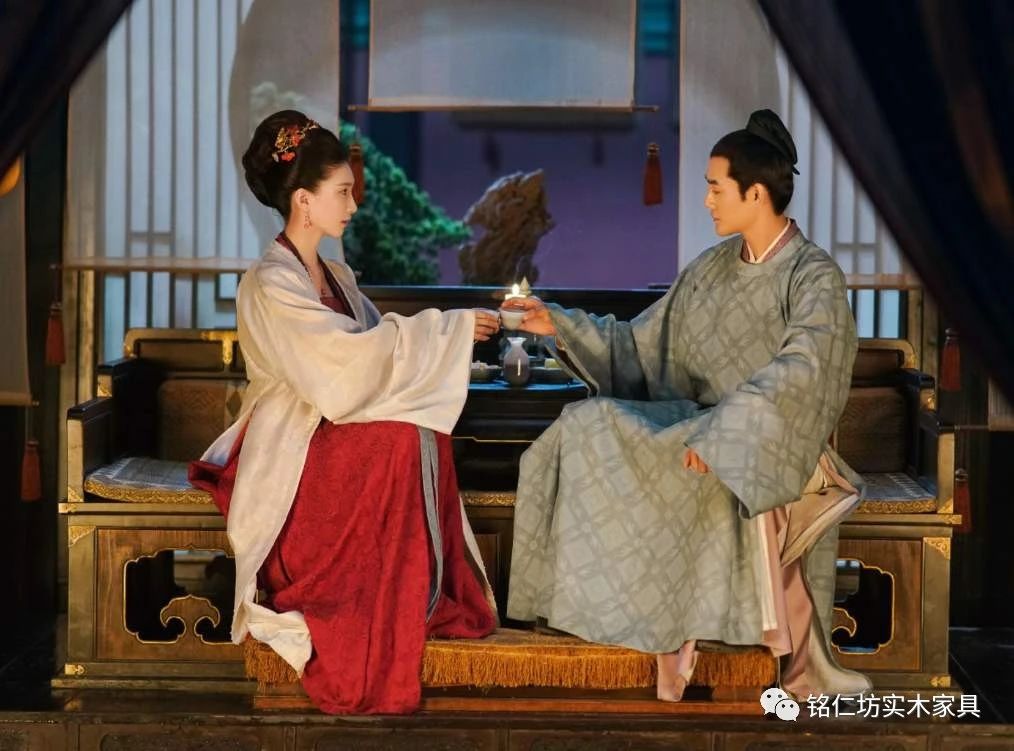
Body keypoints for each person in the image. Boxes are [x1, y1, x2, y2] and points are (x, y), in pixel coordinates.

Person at [503, 109, 872, 702]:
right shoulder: (711, 267)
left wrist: (727, 434)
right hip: (695, 426)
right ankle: (586, 612)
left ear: (756, 194)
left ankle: (745, 642)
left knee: (691, 459)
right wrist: (560, 326)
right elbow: (640, 345)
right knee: (584, 423)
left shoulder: (813, 276)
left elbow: (804, 370)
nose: (706, 200)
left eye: (715, 187)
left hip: (762, 445)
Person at [189, 110, 498, 715]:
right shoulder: (272, 281)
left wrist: (451, 345)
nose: (353, 205)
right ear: (304, 200)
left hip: (328, 424)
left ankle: (406, 594)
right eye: (342, 192)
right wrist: (448, 330)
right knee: (397, 438)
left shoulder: (334, 274)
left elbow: (373, 351)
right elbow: (340, 367)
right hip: (289, 439)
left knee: (416, 428)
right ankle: (353, 597)